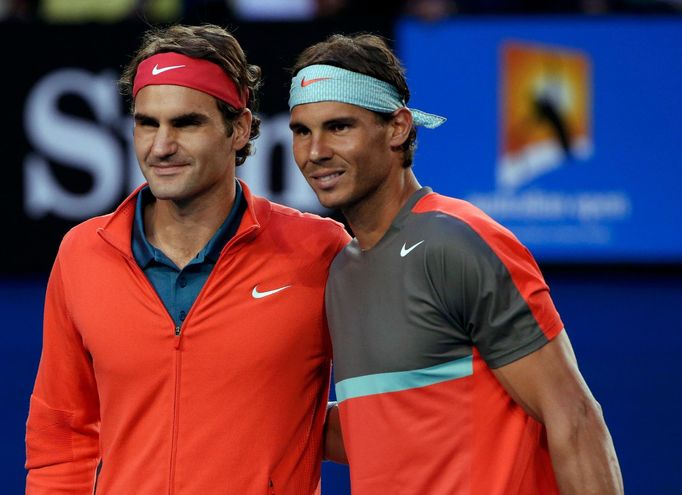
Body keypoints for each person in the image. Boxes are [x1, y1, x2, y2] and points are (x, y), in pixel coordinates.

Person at [288, 34, 623, 494]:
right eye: (301, 131)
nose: (314, 152)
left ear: (398, 128)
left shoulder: (457, 239)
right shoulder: (342, 272)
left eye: (339, 126)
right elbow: (393, 428)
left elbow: (574, 416)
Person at [25, 24, 350, 494]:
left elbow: (383, 411)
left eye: (186, 123)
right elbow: (63, 437)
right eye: (147, 123)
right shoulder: (82, 252)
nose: (161, 146)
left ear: (238, 128)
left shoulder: (321, 250)